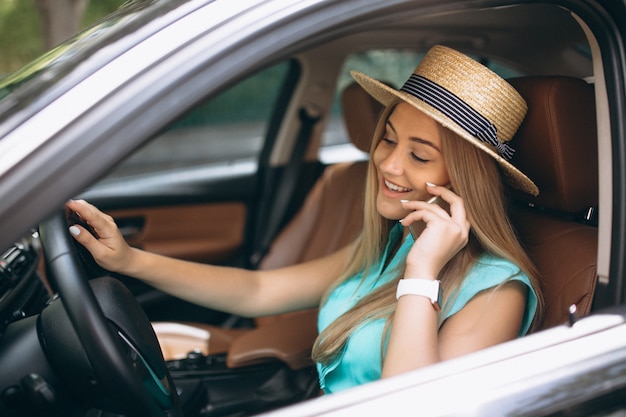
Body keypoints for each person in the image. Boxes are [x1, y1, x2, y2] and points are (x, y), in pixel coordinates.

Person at [66, 45, 543, 395]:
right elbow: (260, 292)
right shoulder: (394, 241)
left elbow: (409, 406)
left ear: (465, 180)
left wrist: (422, 275)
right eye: (388, 139)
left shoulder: (497, 290)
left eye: (419, 156)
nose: (389, 164)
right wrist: (128, 260)